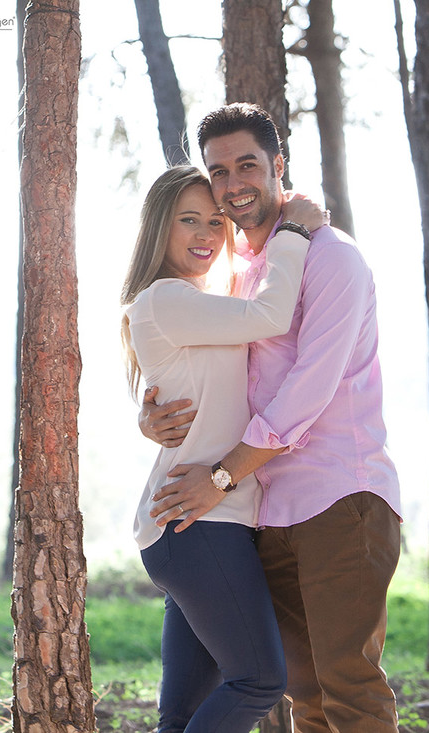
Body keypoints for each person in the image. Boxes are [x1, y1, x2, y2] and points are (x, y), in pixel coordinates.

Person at [140, 103, 403, 733]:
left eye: (248, 164)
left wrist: (223, 478)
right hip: (269, 511)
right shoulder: (246, 275)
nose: (234, 185)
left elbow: (306, 394)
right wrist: (149, 413)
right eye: (219, 170)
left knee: (348, 683)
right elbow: (203, 371)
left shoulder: (331, 259)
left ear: (278, 165)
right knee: (305, 693)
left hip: (340, 497)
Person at [122, 164, 328, 732]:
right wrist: (293, 233)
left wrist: (147, 417)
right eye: (189, 220)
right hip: (199, 525)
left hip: (193, 526)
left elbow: (191, 392)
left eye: (216, 221)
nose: (206, 234)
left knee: (182, 715)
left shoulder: (199, 302)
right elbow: (270, 314)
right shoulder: (165, 299)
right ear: (158, 227)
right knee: (260, 679)